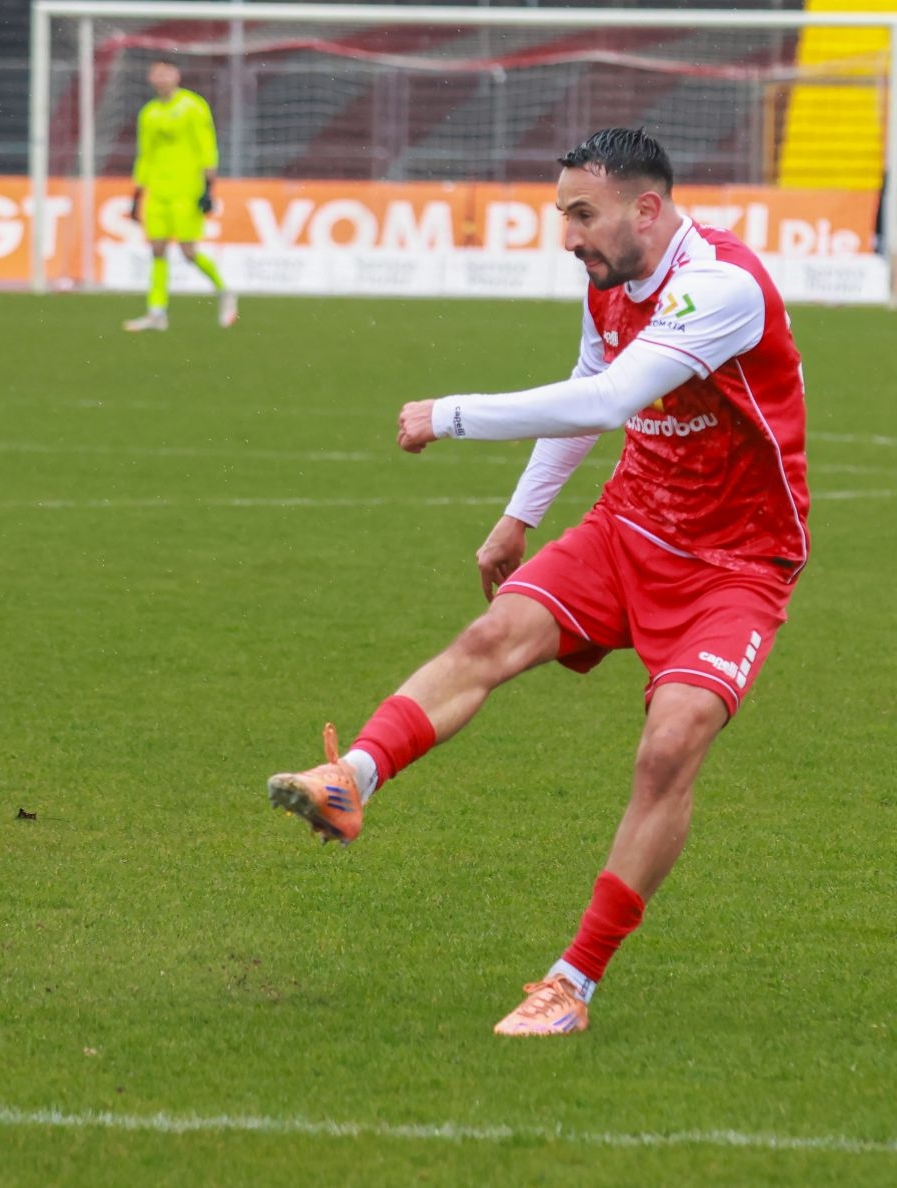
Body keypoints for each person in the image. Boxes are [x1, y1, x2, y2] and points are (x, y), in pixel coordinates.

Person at [264, 128, 809, 1037]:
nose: (566, 236)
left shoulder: (721, 287)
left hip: (737, 562)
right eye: (562, 215)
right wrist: (519, 518)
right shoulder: (607, 284)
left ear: (647, 209)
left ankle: (573, 983)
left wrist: (449, 415)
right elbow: (587, 384)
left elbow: (607, 402)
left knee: (670, 744)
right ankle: (350, 777)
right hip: (632, 526)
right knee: (491, 638)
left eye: (581, 215)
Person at [123, 59, 236, 332]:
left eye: (165, 72)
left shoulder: (192, 106)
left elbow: (206, 146)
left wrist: (209, 188)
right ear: (151, 78)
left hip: (187, 189)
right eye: (156, 73)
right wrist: (137, 195)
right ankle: (157, 312)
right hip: (158, 191)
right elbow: (145, 155)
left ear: (176, 75)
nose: (160, 78)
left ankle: (225, 292)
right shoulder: (148, 113)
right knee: (157, 249)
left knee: (188, 252)